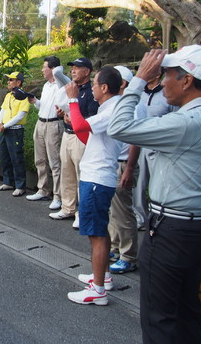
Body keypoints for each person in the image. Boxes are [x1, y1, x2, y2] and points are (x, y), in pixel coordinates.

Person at [108, 45, 201, 343]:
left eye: (168, 75)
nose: (162, 83)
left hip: (172, 231)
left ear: (187, 80)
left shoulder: (185, 123)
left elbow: (119, 127)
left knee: (159, 317)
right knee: (186, 311)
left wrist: (138, 80)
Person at [65, 66, 123, 306]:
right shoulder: (109, 108)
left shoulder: (111, 110)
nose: (92, 89)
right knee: (100, 230)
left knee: (96, 234)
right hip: (98, 175)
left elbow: (80, 127)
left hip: (97, 178)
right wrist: (73, 116)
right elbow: (87, 136)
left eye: (95, 85)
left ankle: (98, 290)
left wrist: (72, 100)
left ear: (105, 87)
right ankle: (103, 277)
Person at [49, 57, 99, 228]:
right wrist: (63, 114)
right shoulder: (70, 88)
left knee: (81, 176)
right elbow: (67, 109)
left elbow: (92, 117)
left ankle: (81, 213)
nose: (73, 71)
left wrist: (75, 119)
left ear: (87, 71)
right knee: (67, 173)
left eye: (78, 68)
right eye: (72, 68)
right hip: (67, 134)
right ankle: (67, 208)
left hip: (81, 137)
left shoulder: (91, 91)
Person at [107, 66, 146, 275]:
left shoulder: (135, 105)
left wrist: (129, 168)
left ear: (123, 83)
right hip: (115, 161)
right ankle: (115, 247)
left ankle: (129, 256)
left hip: (124, 163)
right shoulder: (119, 103)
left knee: (123, 212)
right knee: (114, 211)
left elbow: (135, 140)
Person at [132, 68, 176, 229]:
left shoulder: (167, 94)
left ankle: (161, 218)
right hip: (139, 142)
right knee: (139, 183)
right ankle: (140, 218)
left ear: (158, 74)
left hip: (158, 145)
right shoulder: (139, 93)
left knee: (160, 182)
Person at [26, 56, 70, 209]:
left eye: (44, 67)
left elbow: (58, 72)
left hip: (54, 124)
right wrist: (35, 102)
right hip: (40, 123)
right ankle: (43, 189)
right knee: (40, 159)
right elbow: (44, 106)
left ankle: (58, 196)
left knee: (55, 162)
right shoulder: (46, 86)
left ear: (52, 69)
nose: (42, 70)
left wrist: (56, 68)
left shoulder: (62, 83)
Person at [0, 72, 30, 197]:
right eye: (8, 79)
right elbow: (3, 110)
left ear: (18, 82)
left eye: (11, 80)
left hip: (15, 130)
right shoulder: (9, 95)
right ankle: (8, 181)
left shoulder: (23, 96)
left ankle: (20, 185)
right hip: (5, 129)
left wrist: (5, 125)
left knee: (16, 157)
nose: (8, 82)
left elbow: (21, 115)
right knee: (5, 156)